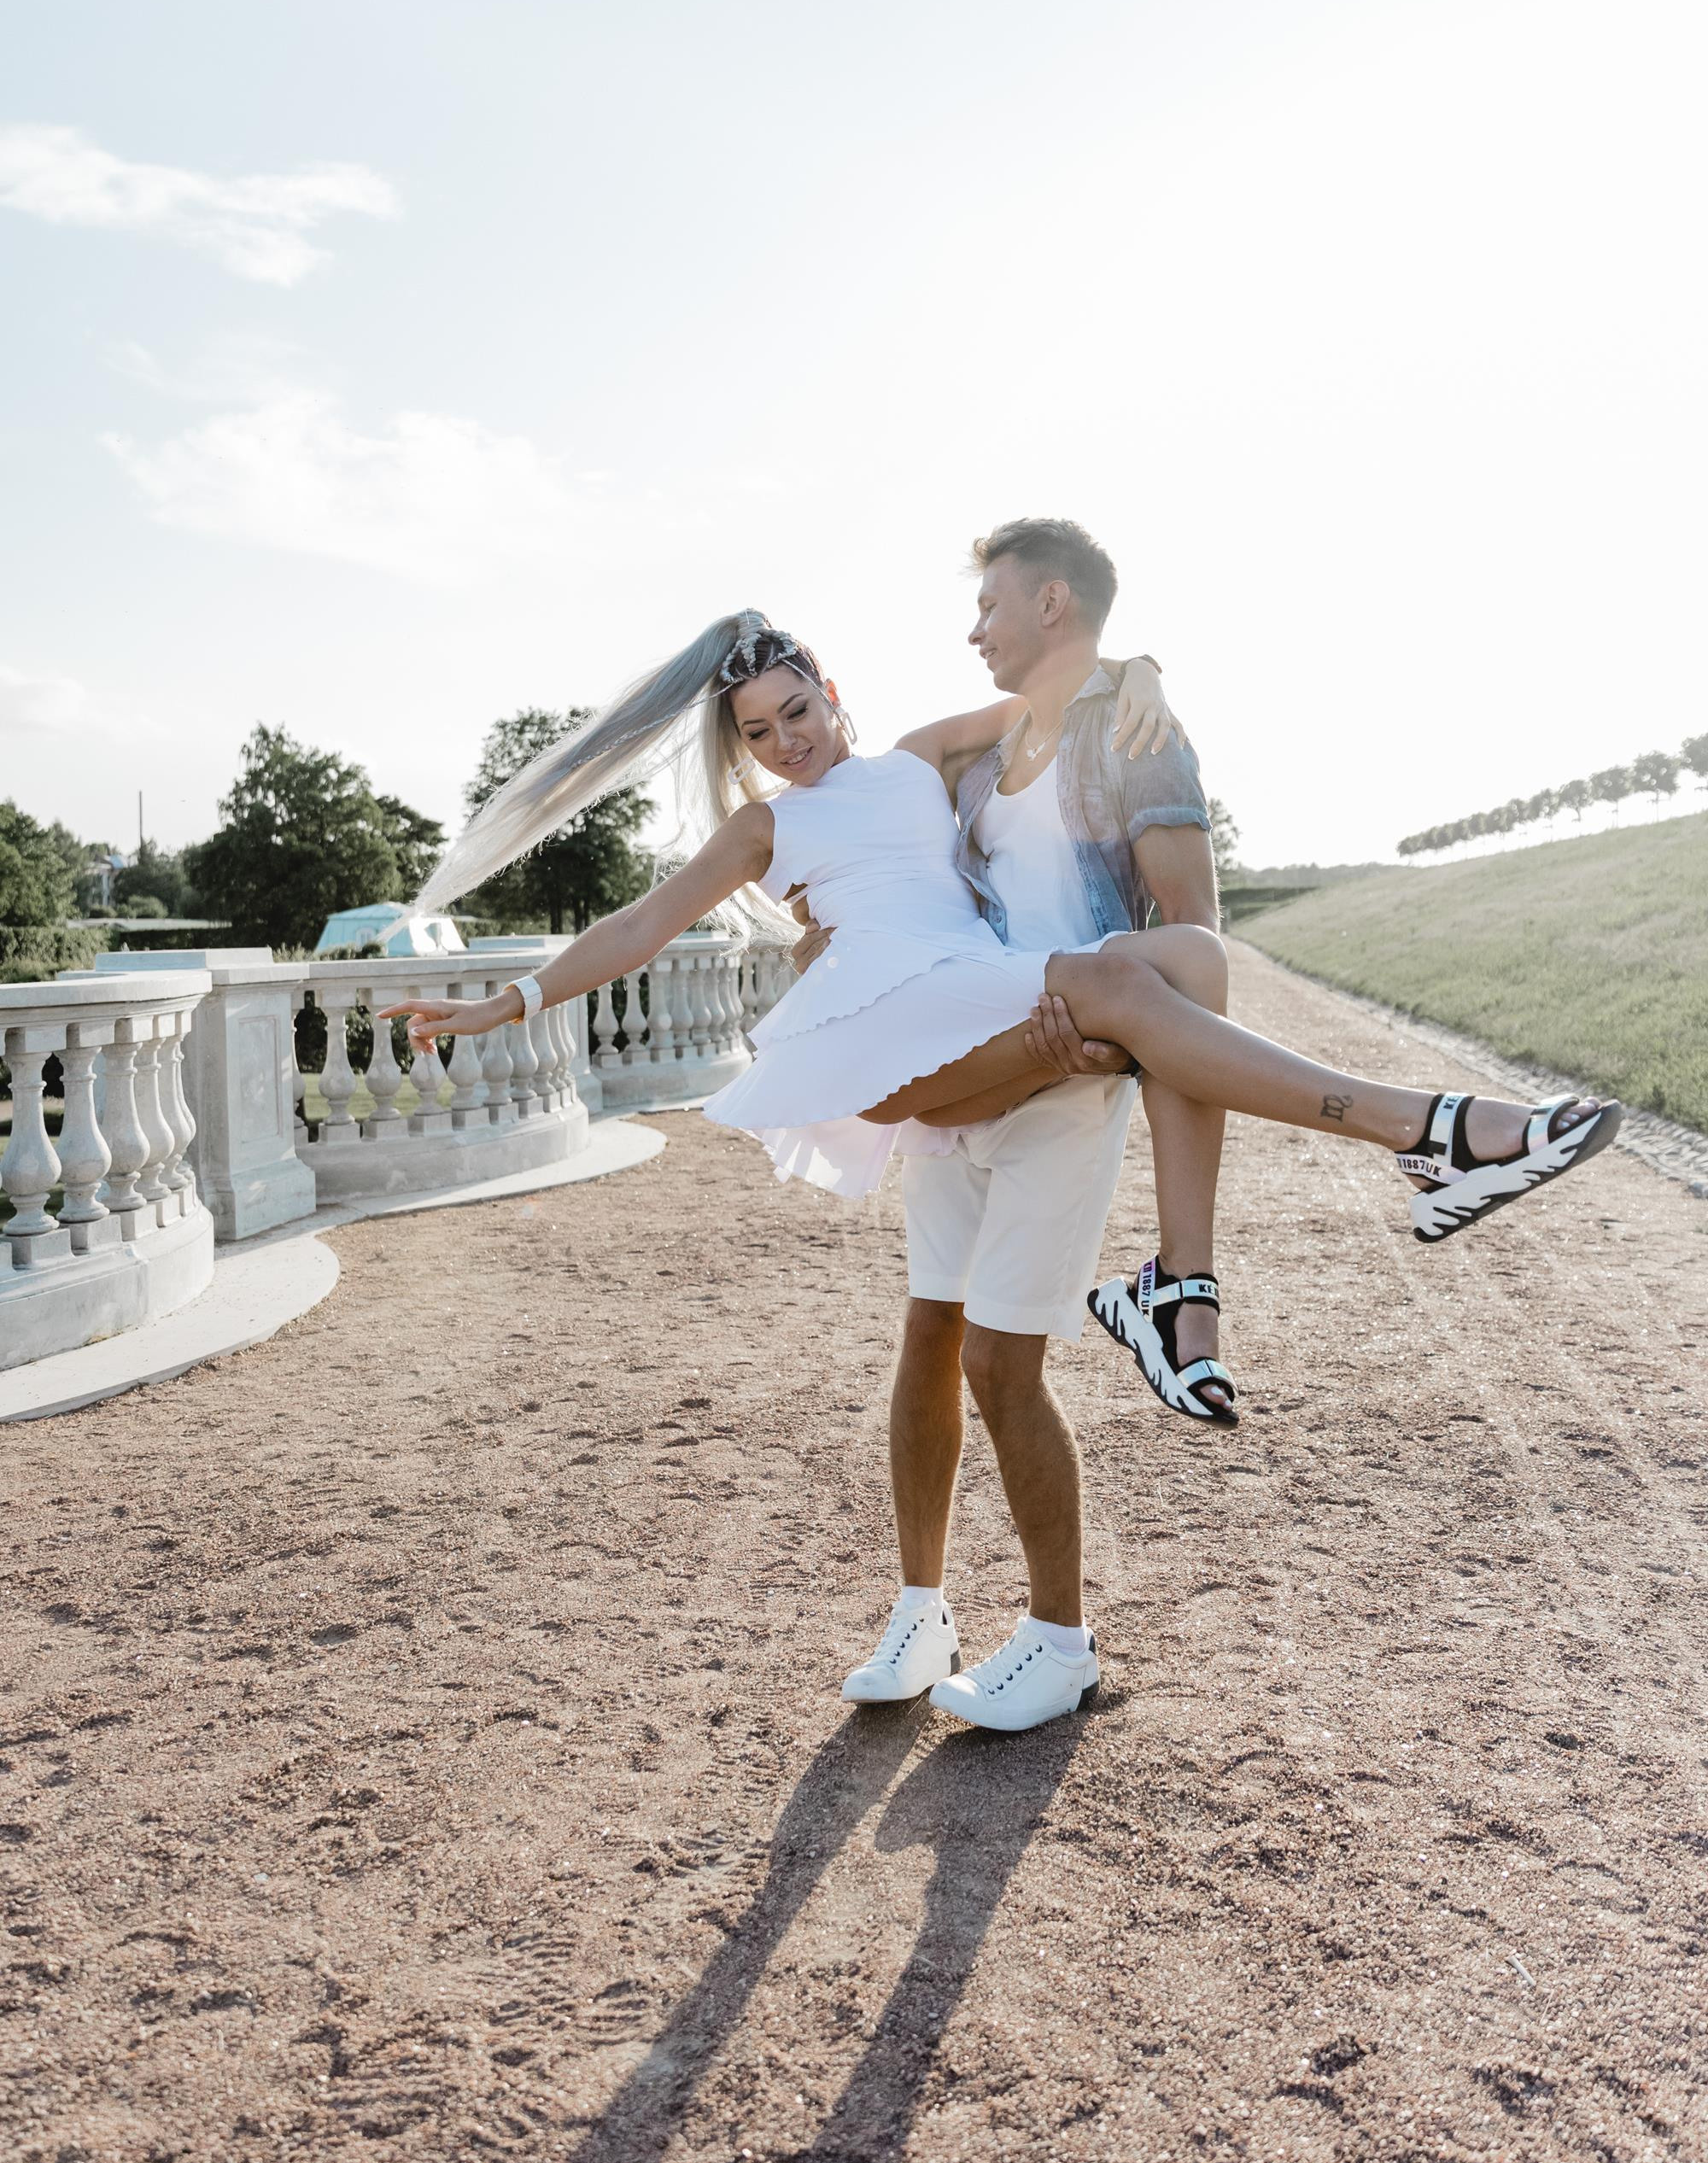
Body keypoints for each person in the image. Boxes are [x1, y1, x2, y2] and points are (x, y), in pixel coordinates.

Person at [380, 608, 1622, 1729]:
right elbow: (642, 924)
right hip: (891, 1004)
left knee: (1150, 974)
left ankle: (1415, 1141)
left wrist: (1136, 670)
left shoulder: (922, 757)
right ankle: (924, 1607)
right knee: (948, 1307)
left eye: (798, 712)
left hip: (963, 1000)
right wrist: (518, 997)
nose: (789, 743)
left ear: (829, 683)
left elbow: (1056, 701)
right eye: (760, 733)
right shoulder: (770, 825)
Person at [813, 517, 1230, 1736]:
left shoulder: (1142, 739)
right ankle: (922, 1610)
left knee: (1004, 1364)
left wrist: (1131, 682)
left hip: (1072, 1079)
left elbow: (1195, 943)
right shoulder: (990, 759)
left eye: (990, 604)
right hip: (971, 1072)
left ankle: (1060, 1643)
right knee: (929, 1340)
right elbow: (901, 799)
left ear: (1053, 601)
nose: (972, 627)